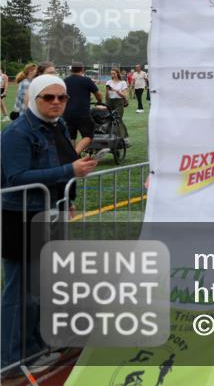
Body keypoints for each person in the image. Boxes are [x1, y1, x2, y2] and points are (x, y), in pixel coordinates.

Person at [1, 74, 98, 368]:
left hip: (49, 212)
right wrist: (70, 170)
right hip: (22, 217)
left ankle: (37, 348)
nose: (56, 103)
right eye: (49, 97)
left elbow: (57, 163)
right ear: (34, 98)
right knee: (21, 290)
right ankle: (13, 359)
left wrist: (66, 199)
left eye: (62, 97)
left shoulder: (58, 125)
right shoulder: (18, 133)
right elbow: (15, 178)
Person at [63, 64, 101, 154]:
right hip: (82, 113)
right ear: (82, 70)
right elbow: (98, 94)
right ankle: (75, 155)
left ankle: (71, 154)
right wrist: (99, 101)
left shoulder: (65, 81)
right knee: (88, 136)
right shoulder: (86, 80)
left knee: (72, 136)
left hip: (67, 113)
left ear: (71, 70)